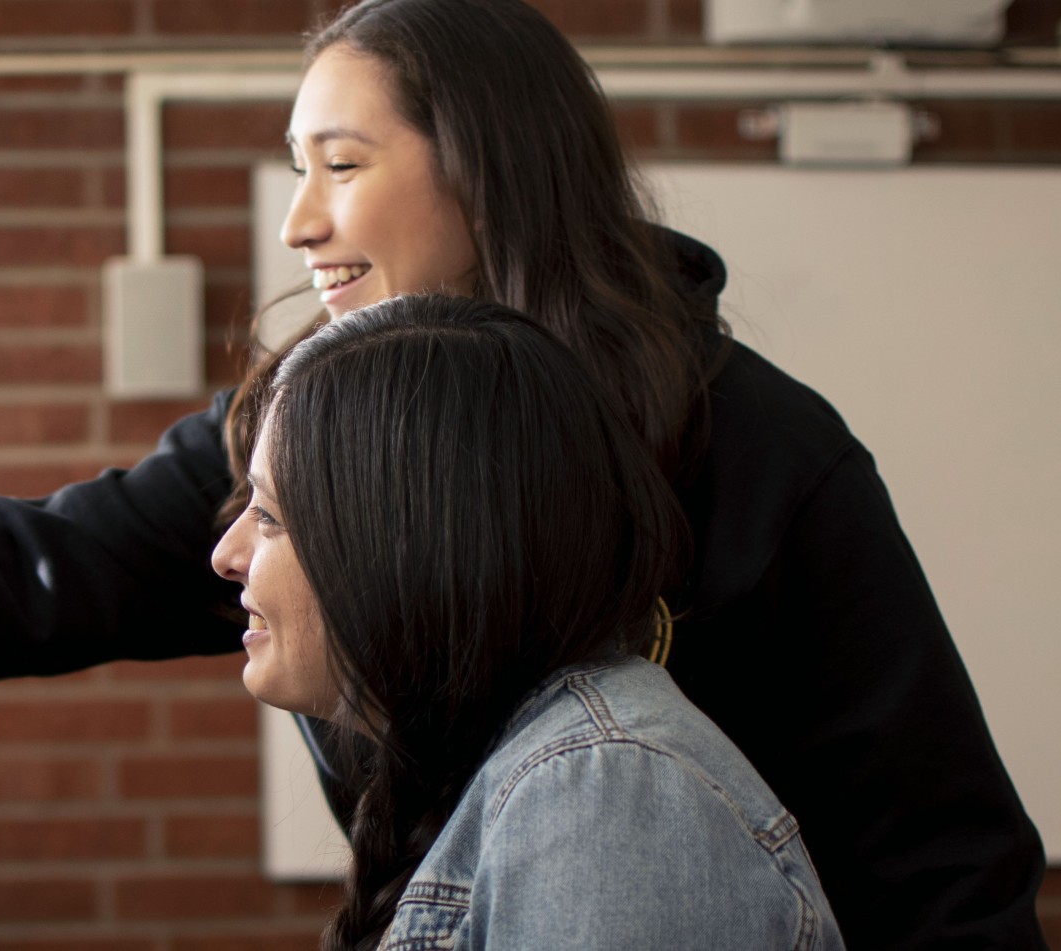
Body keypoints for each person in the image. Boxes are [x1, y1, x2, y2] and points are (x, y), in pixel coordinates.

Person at [0, 0, 1049, 946]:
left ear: (486, 166)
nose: (298, 224)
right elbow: (39, 579)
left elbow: (945, 860)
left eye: (341, 164)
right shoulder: (311, 430)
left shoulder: (766, 452)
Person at [214, 294, 842, 949]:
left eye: (269, 515)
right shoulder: (525, 772)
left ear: (408, 546)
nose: (225, 554)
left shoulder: (600, 787)